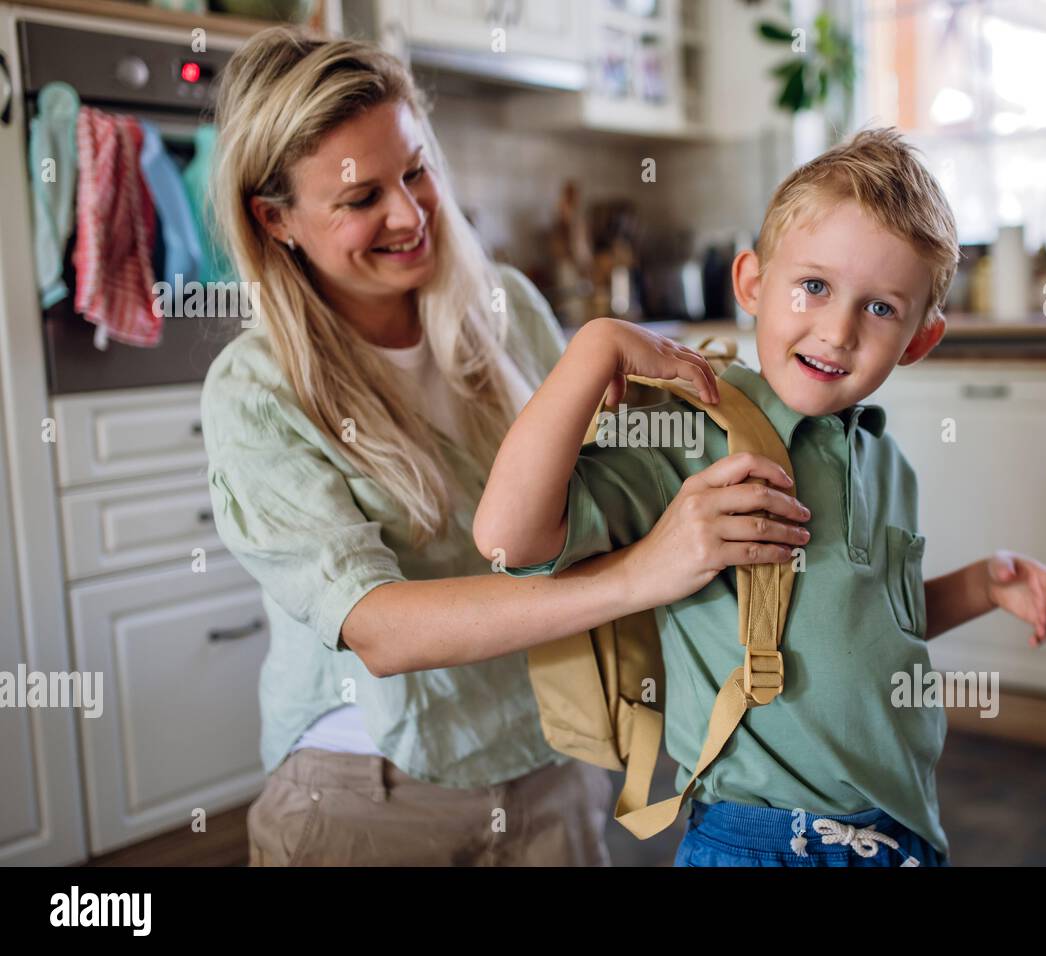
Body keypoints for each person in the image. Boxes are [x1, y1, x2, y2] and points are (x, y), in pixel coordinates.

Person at [200, 28, 807, 866]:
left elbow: (600, 490)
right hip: (368, 792)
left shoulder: (507, 307)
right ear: (276, 220)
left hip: (547, 757)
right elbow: (378, 628)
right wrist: (639, 575)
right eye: (360, 198)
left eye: (417, 171)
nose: (409, 215)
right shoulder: (257, 390)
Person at [475, 127, 1046, 868]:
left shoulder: (886, 463)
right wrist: (593, 348)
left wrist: (982, 585)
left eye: (881, 309)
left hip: (898, 834)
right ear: (751, 282)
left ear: (919, 339)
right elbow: (507, 537)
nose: (838, 331)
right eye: (813, 286)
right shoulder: (692, 435)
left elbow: (876, 631)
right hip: (760, 841)